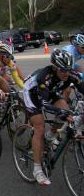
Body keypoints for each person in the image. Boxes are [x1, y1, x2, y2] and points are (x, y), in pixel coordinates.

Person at [23, 49, 84, 186]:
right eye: (63, 70)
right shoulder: (44, 76)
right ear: (55, 67)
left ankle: (50, 136)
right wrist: (61, 112)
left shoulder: (71, 75)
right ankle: (37, 169)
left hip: (50, 92)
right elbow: (43, 103)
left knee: (65, 109)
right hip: (33, 94)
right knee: (39, 127)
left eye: (69, 69)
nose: (66, 73)